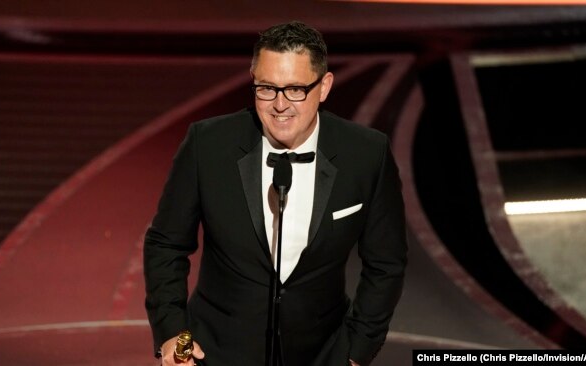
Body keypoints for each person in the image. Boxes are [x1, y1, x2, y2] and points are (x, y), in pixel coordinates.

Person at [144, 21, 408, 366]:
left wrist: (356, 351)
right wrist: (171, 332)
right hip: (216, 353)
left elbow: (386, 263)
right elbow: (166, 243)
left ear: (324, 86)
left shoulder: (366, 153)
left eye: (296, 89)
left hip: (323, 354)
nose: (280, 105)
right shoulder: (208, 145)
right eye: (267, 88)